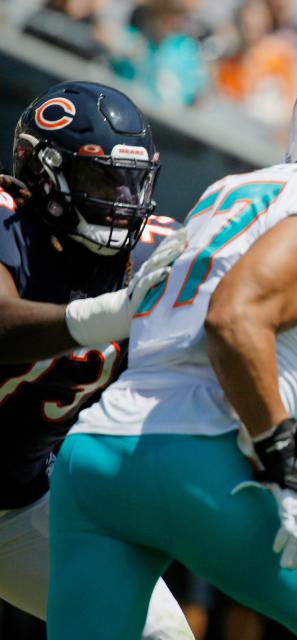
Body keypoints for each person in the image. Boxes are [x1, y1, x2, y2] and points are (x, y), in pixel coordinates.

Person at [45, 61, 297, 639]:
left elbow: (196, 327)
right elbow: (234, 318)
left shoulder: (232, 189)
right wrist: (290, 461)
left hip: (98, 456)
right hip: (207, 458)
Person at [0, 80, 192, 639]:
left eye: (133, 182)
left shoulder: (155, 250)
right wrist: (111, 314)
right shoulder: (8, 219)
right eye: (102, 179)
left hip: (16, 504)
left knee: (160, 635)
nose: (121, 201)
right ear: (43, 170)